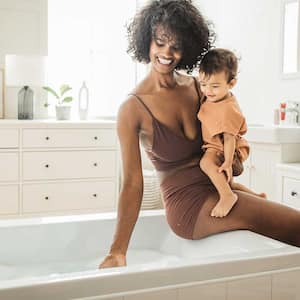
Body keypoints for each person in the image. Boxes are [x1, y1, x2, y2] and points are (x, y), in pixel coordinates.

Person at [99, 0, 300, 269]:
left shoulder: (198, 87)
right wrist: (118, 250)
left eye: (177, 45)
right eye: (160, 42)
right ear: (146, 39)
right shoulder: (132, 109)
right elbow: (132, 183)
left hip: (218, 190)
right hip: (188, 207)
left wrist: (233, 157)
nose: (167, 53)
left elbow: (226, 131)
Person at [197, 48, 266, 218]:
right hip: (217, 145)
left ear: (231, 84)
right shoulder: (214, 97)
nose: (208, 91)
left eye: (214, 86)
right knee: (228, 184)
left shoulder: (228, 109)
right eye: (203, 84)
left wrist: (227, 162)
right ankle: (258, 197)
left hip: (225, 148)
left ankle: (227, 197)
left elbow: (229, 139)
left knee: (206, 164)